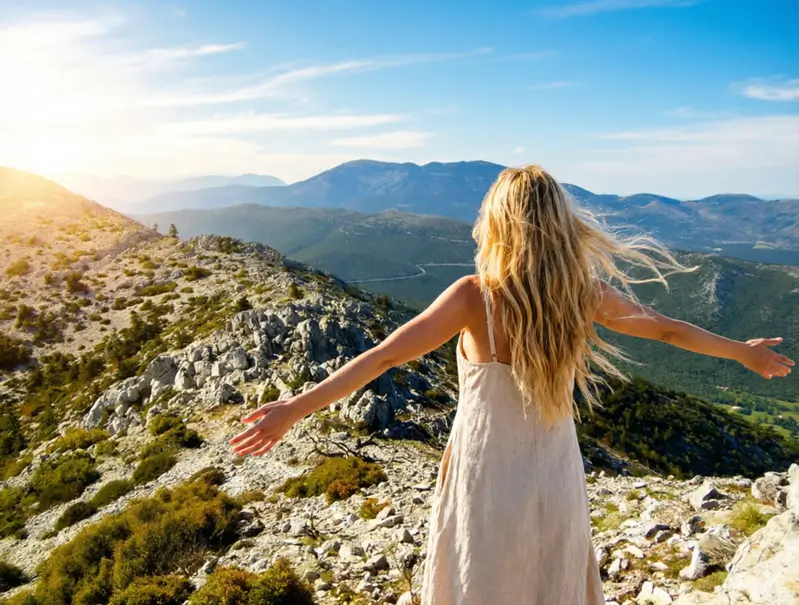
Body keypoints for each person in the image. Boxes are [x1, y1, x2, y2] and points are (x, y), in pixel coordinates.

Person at [230, 165, 794, 604]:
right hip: (554, 462)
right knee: (553, 570)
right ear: (559, 225)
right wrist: (740, 352)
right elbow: (668, 331)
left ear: (499, 223)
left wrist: (295, 408)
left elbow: (380, 358)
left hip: (486, 465)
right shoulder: (582, 294)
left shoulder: (475, 296)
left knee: (483, 573)